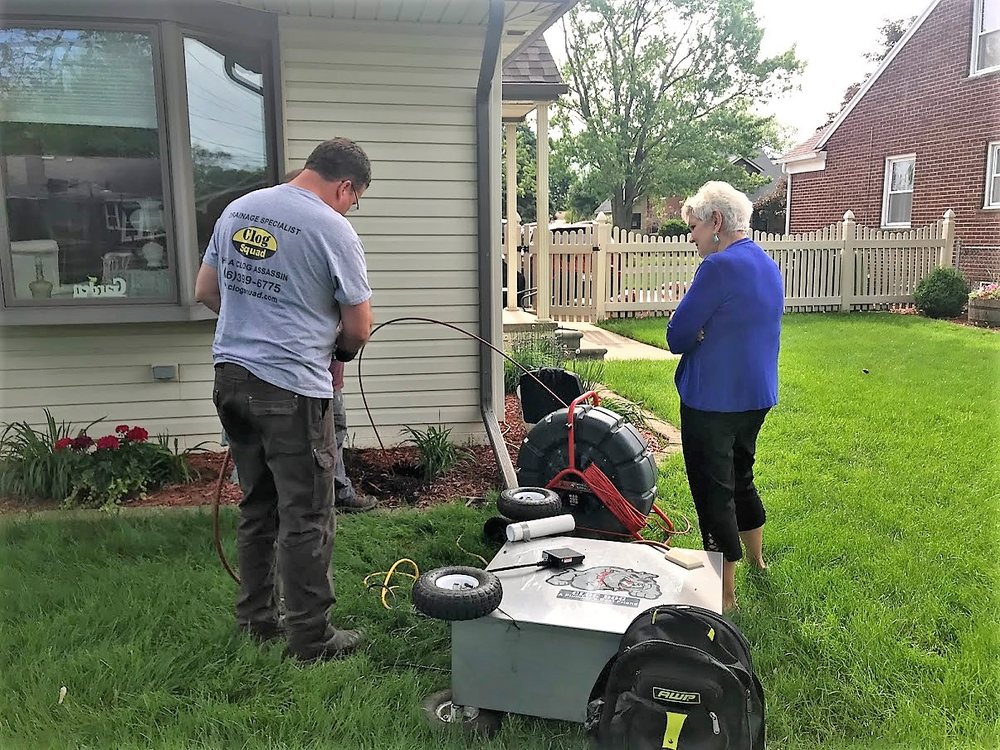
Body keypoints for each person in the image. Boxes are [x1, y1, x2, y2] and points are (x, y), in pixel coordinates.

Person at [195, 137, 373, 661]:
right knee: (308, 514)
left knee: (258, 506)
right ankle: (312, 639)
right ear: (345, 186)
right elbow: (359, 328)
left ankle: (256, 620)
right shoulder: (331, 227)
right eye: (354, 198)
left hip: (230, 379)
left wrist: (252, 327)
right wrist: (332, 347)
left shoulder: (238, 210)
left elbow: (207, 290)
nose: (350, 207)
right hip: (292, 390)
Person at [666, 181, 784, 613]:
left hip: (712, 400)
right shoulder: (766, 263)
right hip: (756, 395)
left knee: (712, 489)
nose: (692, 236)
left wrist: (698, 330)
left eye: (694, 226)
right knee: (740, 475)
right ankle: (757, 561)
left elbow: (677, 336)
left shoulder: (717, 268)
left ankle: (725, 596)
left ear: (716, 222)